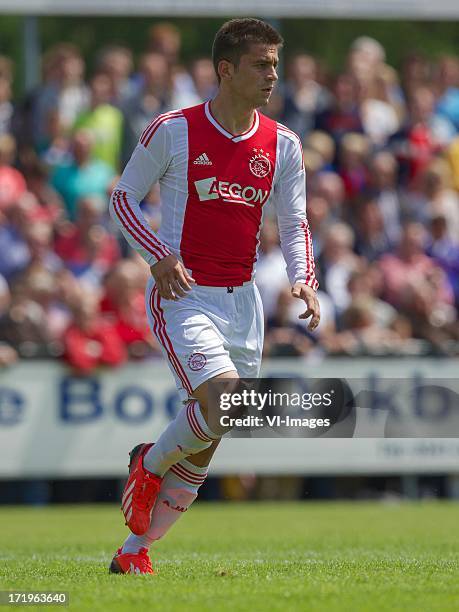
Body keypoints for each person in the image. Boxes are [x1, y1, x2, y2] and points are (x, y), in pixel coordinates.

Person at [108, 18, 320, 575]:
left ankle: (133, 553)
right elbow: (124, 199)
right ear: (226, 69)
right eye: (261, 64)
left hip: (243, 300)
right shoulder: (173, 130)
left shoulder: (284, 143)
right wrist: (158, 255)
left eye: (276, 63)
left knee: (213, 433)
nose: (273, 74)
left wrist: (305, 278)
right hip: (185, 293)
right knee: (222, 400)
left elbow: (296, 220)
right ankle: (150, 465)